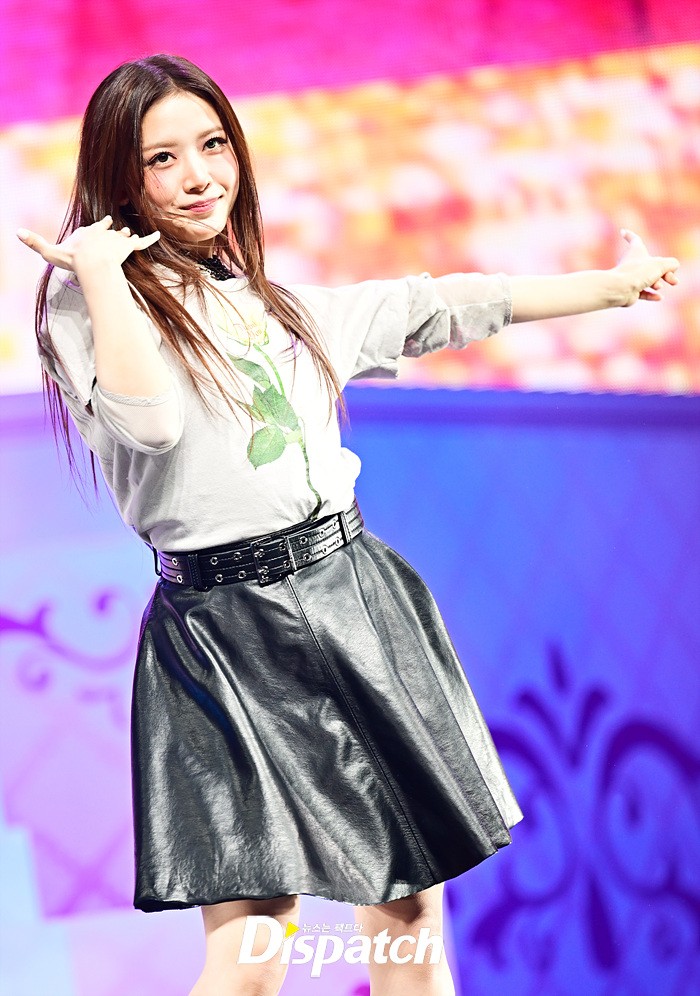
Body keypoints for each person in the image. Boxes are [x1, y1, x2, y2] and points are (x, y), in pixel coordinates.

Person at [17, 53, 679, 996]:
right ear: (120, 176)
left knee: (409, 929)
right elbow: (150, 423)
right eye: (162, 158)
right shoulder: (83, 302)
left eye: (213, 145)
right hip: (219, 635)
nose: (198, 176)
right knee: (251, 954)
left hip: (351, 601)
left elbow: (439, 304)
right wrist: (99, 270)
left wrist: (608, 288)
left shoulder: (277, 306)